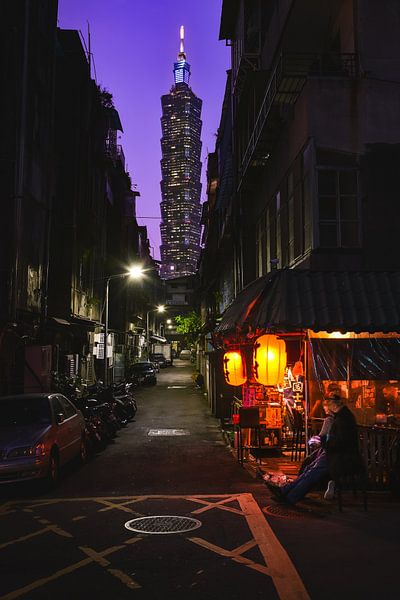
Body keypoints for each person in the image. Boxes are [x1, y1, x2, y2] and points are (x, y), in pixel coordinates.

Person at [265, 394, 361, 505]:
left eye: (329, 405)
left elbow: (340, 442)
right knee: (310, 468)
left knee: (313, 471)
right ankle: (286, 491)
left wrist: (322, 441)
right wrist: (321, 440)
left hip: (341, 457)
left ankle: (290, 496)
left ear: (335, 405)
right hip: (336, 453)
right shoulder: (341, 416)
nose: (327, 408)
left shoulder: (343, 419)